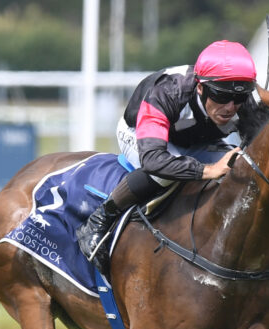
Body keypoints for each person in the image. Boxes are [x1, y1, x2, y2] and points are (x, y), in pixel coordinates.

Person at [76, 39, 258, 272]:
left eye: (239, 97)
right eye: (221, 96)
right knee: (166, 172)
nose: (231, 107)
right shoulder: (168, 92)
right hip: (141, 134)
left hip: (195, 139)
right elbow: (153, 160)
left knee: (241, 167)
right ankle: (99, 220)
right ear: (200, 87)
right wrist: (208, 170)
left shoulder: (242, 102)